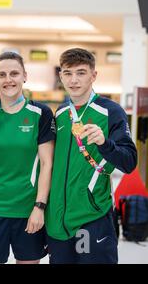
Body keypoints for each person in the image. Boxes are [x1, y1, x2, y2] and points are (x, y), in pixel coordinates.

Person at [45, 48, 137, 264]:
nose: (73, 80)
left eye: (81, 72)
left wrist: (105, 143)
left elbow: (129, 162)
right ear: (60, 76)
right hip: (58, 222)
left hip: (92, 217)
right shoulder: (60, 112)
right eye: (67, 73)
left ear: (93, 75)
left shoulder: (111, 111)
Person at [0, 52, 55, 264]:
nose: (9, 80)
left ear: (25, 75)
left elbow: (47, 164)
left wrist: (39, 207)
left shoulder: (40, 113)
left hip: (28, 210)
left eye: (14, 73)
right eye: (2, 75)